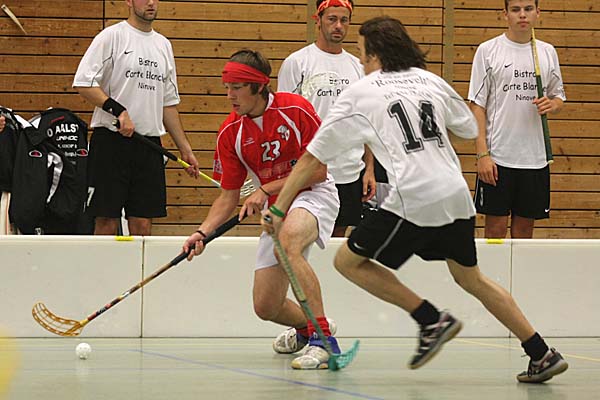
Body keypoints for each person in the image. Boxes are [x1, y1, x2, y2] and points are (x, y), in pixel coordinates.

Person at [262, 16, 568, 383]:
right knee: (471, 279)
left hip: (414, 194)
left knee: (347, 261)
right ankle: (541, 352)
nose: (360, 61)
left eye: (361, 52)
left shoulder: (361, 92)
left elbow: (313, 158)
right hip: (455, 193)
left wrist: (279, 207)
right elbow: (467, 128)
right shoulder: (431, 80)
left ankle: (430, 320)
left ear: (375, 54)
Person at [182, 49, 341, 370]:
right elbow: (228, 197)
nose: (230, 95)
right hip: (276, 209)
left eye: (237, 87)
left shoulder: (296, 109)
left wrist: (265, 189)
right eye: (227, 87)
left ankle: (324, 340)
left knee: (288, 241)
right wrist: (202, 232)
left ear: (258, 86)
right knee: (266, 306)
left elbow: (318, 170)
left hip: (314, 194)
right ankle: (307, 327)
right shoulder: (231, 132)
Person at [73, 0, 199, 236]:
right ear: (129, 1)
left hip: (149, 146)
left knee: (142, 223)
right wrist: (118, 111)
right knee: (106, 221)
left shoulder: (163, 45)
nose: (150, 3)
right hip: (111, 143)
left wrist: (185, 148)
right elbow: (83, 82)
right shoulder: (112, 36)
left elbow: (168, 103)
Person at [277, 0, 376, 237]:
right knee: (301, 237)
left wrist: (369, 169)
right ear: (318, 19)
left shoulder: (358, 66)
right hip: (310, 172)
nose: (338, 26)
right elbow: (283, 120)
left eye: (344, 20)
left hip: (349, 172)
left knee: (337, 238)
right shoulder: (297, 63)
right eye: (332, 19)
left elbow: (367, 122)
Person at [468, 0, 565, 238]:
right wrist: (482, 154)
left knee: (524, 233)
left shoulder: (547, 51)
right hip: (498, 157)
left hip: (535, 159)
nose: (522, 15)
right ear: (505, 14)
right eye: (515, 9)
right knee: (495, 230)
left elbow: (559, 97)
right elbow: (477, 105)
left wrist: (552, 104)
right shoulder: (488, 50)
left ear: (537, 13)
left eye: (528, 9)